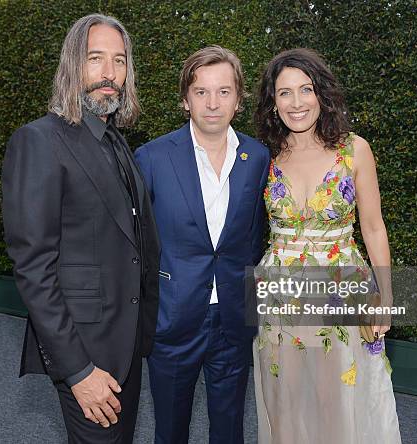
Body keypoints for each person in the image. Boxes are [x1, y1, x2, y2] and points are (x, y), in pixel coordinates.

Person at [1, 14, 160, 444]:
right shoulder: (38, 141)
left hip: (124, 346)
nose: (110, 74)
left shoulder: (116, 141)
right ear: (73, 66)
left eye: (120, 61)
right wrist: (77, 371)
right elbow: (34, 268)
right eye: (96, 59)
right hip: (86, 355)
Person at [252, 48, 402, 444]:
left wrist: (384, 295)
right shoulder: (263, 156)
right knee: (283, 402)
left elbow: (373, 227)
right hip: (281, 297)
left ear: (322, 94)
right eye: (284, 93)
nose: (296, 102)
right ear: (273, 101)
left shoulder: (354, 150)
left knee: (335, 402)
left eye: (305, 90)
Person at [134, 46, 270, 444]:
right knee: (170, 431)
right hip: (173, 320)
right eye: (201, 92)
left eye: (224, 92)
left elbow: (256, 236)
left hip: (233, 318)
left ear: (239, 100)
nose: (213, 103)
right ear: (185, 99)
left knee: (229, 431)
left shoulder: (257, 157)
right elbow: (137, 243)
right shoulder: (152, 157)